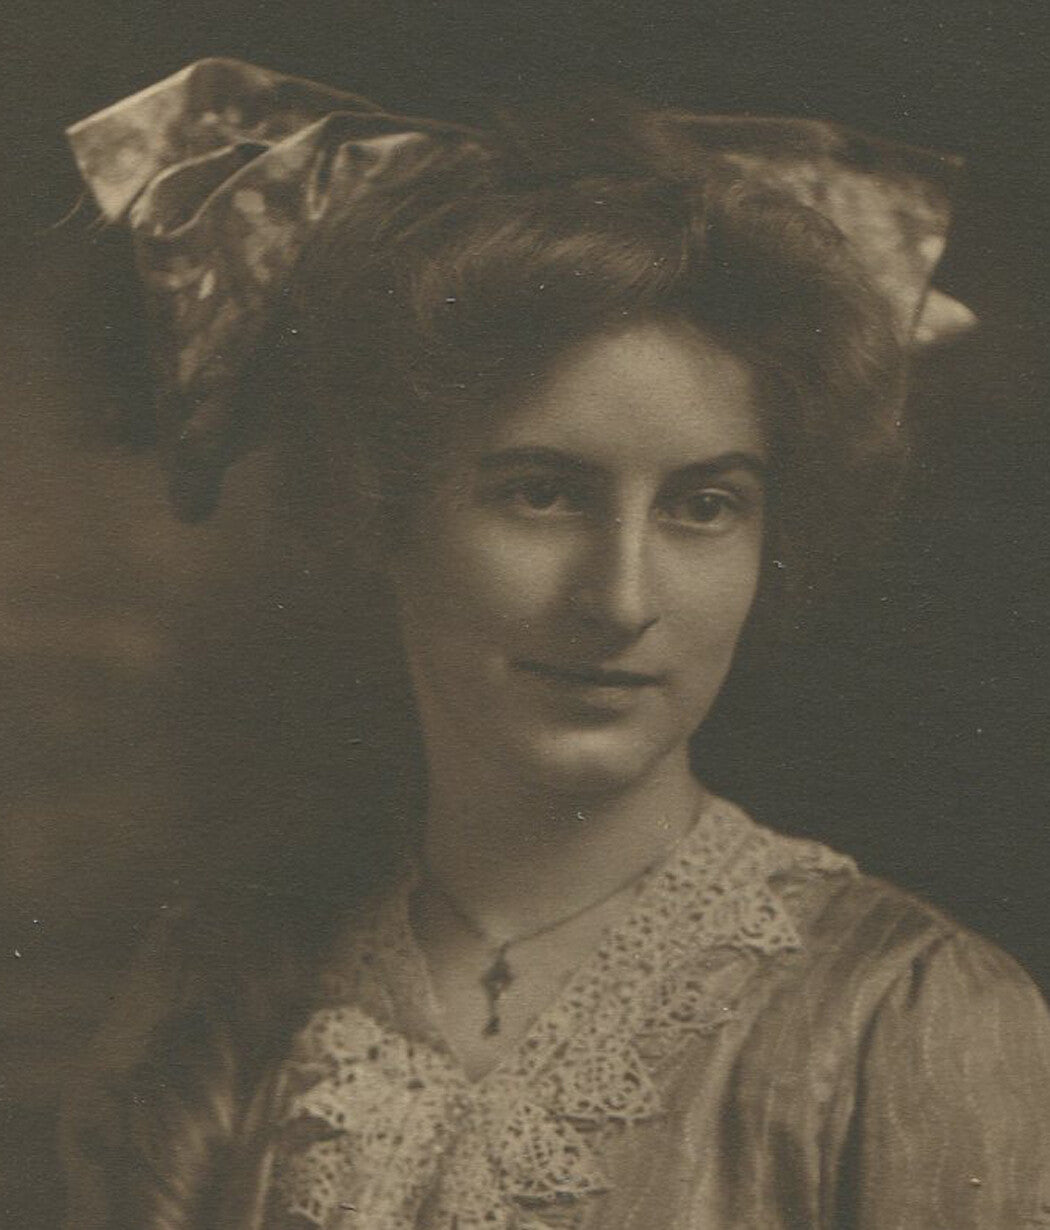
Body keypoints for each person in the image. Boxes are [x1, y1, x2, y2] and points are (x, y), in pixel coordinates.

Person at [60, 59, 1050, 1230]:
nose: (621, 597)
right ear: (387, 508)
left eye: (704, 504)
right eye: (541, 494)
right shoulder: (214, 999)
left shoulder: (914, 1017)